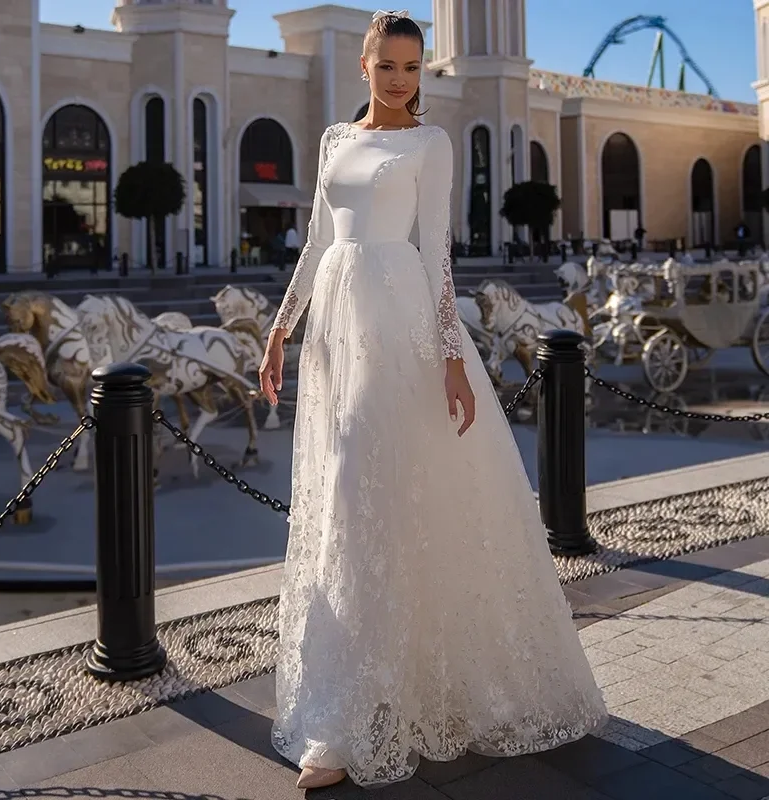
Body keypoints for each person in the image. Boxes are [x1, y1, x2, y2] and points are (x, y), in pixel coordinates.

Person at [259, 9, 607, 792]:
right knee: (348, 502)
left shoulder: (431, 144)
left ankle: (360, 721)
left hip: (401, 324)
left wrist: (452, 356)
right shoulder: (334, 143)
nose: (401, 81)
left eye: (413, 69)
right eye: (388, 66)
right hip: (338, 337)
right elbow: (317, 241)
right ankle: (354, 703)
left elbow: (437, 255)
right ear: (364, 64)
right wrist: (280, 330)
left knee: (379, 499)